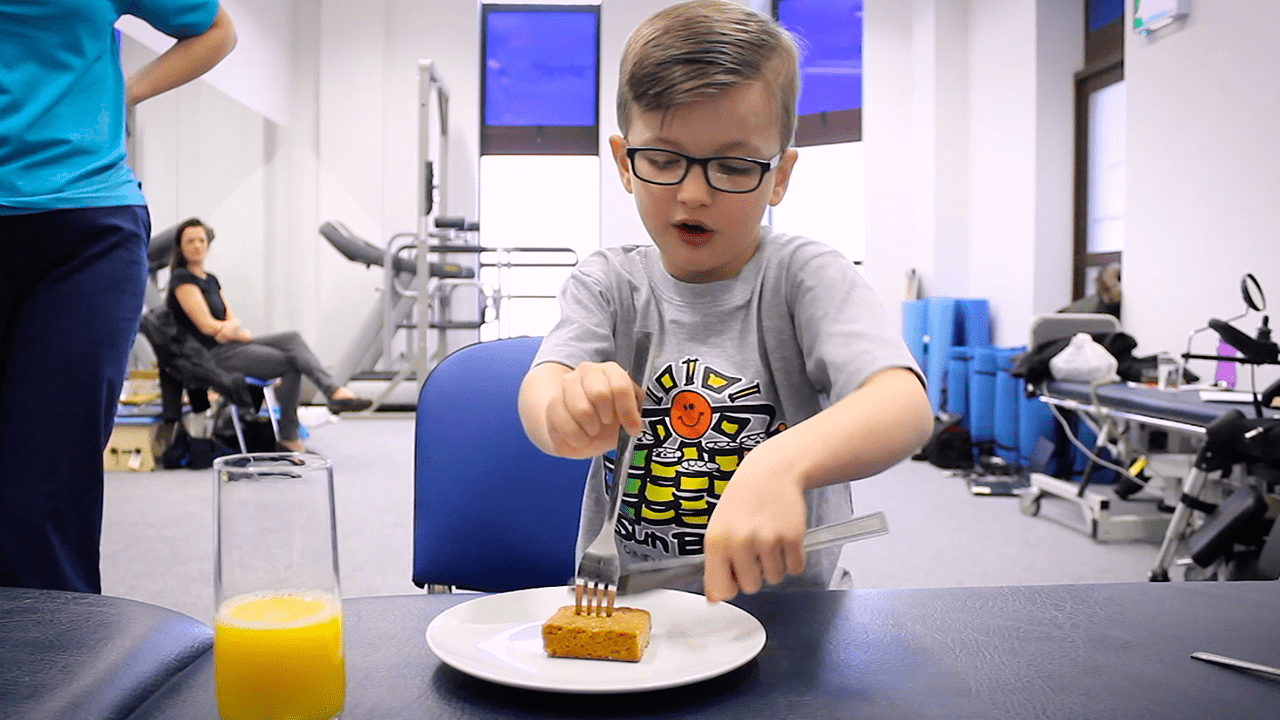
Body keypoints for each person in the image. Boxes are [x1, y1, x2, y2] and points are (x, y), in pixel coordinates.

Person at [518, 0, 933, 604]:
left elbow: (903, 407)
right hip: (634, 612)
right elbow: (542, 394)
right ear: (624, 162)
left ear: (780, 175)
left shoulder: (804, 276)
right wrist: (564, 411)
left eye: (734, 166)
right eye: (662, 159)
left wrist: (780, 464)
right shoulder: (607, 283)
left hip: (789, 624)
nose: (693, 194)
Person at [0, 1, 235, 593]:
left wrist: (122, 93)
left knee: (44, 489)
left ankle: (58, 668)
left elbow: (214, 31)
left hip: (84, 226)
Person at [166, 218, 373, 453]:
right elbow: (207, 327)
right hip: (209, 355)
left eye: (201, 240)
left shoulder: (211, 280)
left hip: (230, 345)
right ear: (180, 247)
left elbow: (230, 319)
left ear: (208, 244)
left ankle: (332, 391)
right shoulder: (181, 280)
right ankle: (290, 434)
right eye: (190, 241)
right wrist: (228, 329)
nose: (197, 246)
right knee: (290, 363)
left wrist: (230, 329)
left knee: (292, 339)